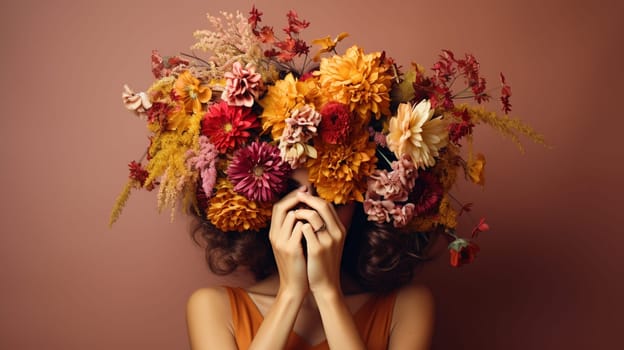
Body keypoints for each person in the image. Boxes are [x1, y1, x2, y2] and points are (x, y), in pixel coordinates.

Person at [186, 168, 435, 350]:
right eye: (289, 195)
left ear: (362, 204)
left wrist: (328, 292)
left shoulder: (406, 306)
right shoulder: (213, 307)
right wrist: (290, 293)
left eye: (331, 198)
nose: (310, 216)